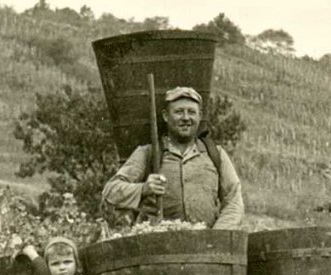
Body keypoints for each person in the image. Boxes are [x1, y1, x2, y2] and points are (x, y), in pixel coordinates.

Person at [101, 85, 244, 230]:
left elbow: (234, 201)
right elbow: (110, 192)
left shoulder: (215, 154)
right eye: (179, 112)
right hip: (158, 241)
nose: (186, 118)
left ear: (200, 116)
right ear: (165, 116)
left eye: (192, 112)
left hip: (206, 240)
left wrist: (216, 235)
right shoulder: (148, 153)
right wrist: (143, 189)